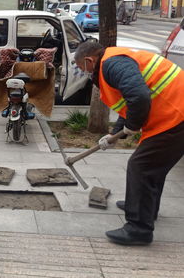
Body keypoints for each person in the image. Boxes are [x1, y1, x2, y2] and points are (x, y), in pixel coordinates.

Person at [75, 41, 184, 246]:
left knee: (141, 166)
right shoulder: (114, 61)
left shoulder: (112, 64)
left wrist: (132, 127)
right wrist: (114, 134)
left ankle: (138, 229)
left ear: (90, 61)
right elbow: (129, 104)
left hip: (176, 114)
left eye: (83, 69)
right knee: (152, 167)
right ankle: (144, 208)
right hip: (174, 113)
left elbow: (140, 97)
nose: (85, 74)